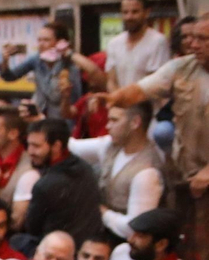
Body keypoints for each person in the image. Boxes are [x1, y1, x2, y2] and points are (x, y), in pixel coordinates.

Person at [108, 11, 209, 260]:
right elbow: (141, 89)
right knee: (189, 245)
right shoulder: (181, 67)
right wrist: (114, 98)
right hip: (185, 174)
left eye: (203, 39)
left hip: (206, 175)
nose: (193, 44)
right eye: (192, 38)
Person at [70, 101, 164, 239]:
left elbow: (135, 228)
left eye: (114, 120)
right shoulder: (111, 144)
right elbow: (73, 147)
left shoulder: (147, 173)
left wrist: (103, 213)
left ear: (135, 122)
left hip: (125, 245)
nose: (107, 126)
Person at [18, 118, 104, 252]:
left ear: (56, 146)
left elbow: (32, 229)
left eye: (36, 146)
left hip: (58, 252)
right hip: (85, 248)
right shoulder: (86, 167)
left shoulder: (45, 186)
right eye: (28, 145)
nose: (30, 151)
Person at [0, 20, 95, 117]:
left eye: (46, 40)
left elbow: (60, 96)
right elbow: (9, 77)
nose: (41, 44)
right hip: (40, 117)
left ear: (60, 42)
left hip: (63, 120)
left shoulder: (71, 64)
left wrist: (66, 53)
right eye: (39, 40)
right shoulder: (36, 60)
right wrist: (5, 61)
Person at [105, 0, 172, 91]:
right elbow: (111, 81)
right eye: (125, 12)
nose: (129, 17)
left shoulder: (157, 42)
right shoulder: (114, 43)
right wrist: (116, 102)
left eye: (135, 12)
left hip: (148, 105)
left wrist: (126, 100)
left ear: (146, 13)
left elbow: (154, 83)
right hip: (119, 104)